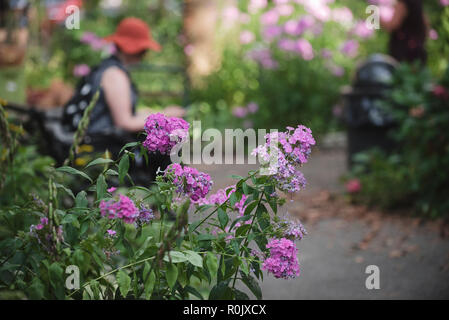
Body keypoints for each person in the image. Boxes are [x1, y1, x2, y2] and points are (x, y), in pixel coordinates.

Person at [62, 17, 183, 181]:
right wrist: (165, 116)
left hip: (100, 138)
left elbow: (116, 113)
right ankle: (160, 198)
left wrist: (151, 113)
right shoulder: (115, 74)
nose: (144, 55)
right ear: (131, 49)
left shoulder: (108, 68)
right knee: (166, 146)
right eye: (143, 50)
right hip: (103, 144)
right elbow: (124, 122)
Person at [381, 0, 428, 64]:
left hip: (402, 51)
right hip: (417, 50)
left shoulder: (403, 3)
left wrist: (376, 17)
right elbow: (425, 25)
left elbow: (393, 25)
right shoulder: (417, 3)